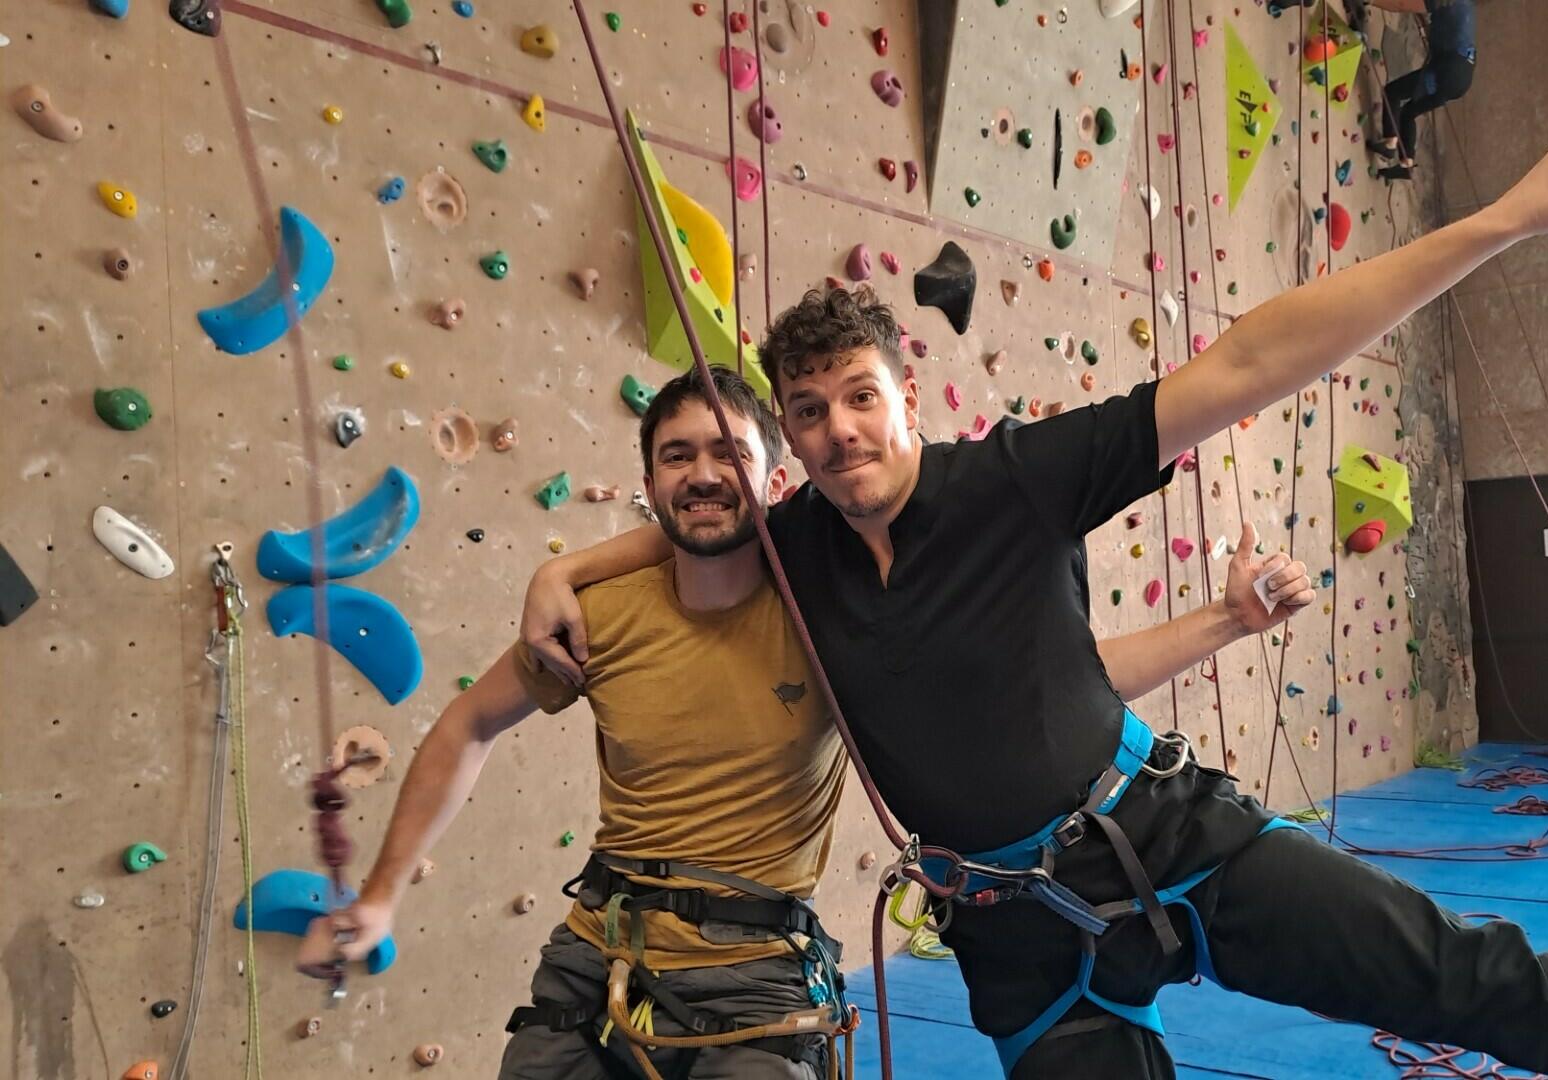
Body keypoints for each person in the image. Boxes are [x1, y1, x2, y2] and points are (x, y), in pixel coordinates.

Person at [524, 75, 1548, 1079]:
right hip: (1016, 939)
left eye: (859, 399)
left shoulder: (1014, 481)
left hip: (1167, 840)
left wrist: (1502, 224)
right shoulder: (795, 553)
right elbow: (696, 520)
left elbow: (1250, 359)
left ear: (906, 397)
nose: (838, 433)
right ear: (788, 437)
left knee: (1475, 980)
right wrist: (566, 564)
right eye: (809, 414)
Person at [304, 368, 1318, 1080]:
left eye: (727, 453)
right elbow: (466, 728)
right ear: (649, 484)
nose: (703, 474)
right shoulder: (597, 615)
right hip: (598, 952)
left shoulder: (834, 613)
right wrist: (382, 895)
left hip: (756, 978)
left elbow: (1066, 681)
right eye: (676, 456)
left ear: (771, 479)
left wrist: (1227, 621)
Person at [1363, 0, 1476, 180]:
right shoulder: (1465, 6)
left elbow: (1401, 5)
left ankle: (1390, 143)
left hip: (1448, 71)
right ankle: (1406, 165)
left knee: (1393, 92)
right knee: (1409, 112)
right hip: (1462, 76)